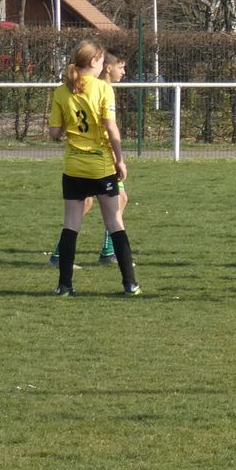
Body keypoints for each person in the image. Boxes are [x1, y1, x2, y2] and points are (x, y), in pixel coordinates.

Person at [47, 39, 139, 296]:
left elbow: (54, 133)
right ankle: (130, 284)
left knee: (71, 224)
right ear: (94, 62)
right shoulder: (102, 88)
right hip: (100, 165)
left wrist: (69, 126)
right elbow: (110, 127)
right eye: (100, 60)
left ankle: (64, 286)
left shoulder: (61, 91)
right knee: (115, 222)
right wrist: (120, 159)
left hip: (73, 167)